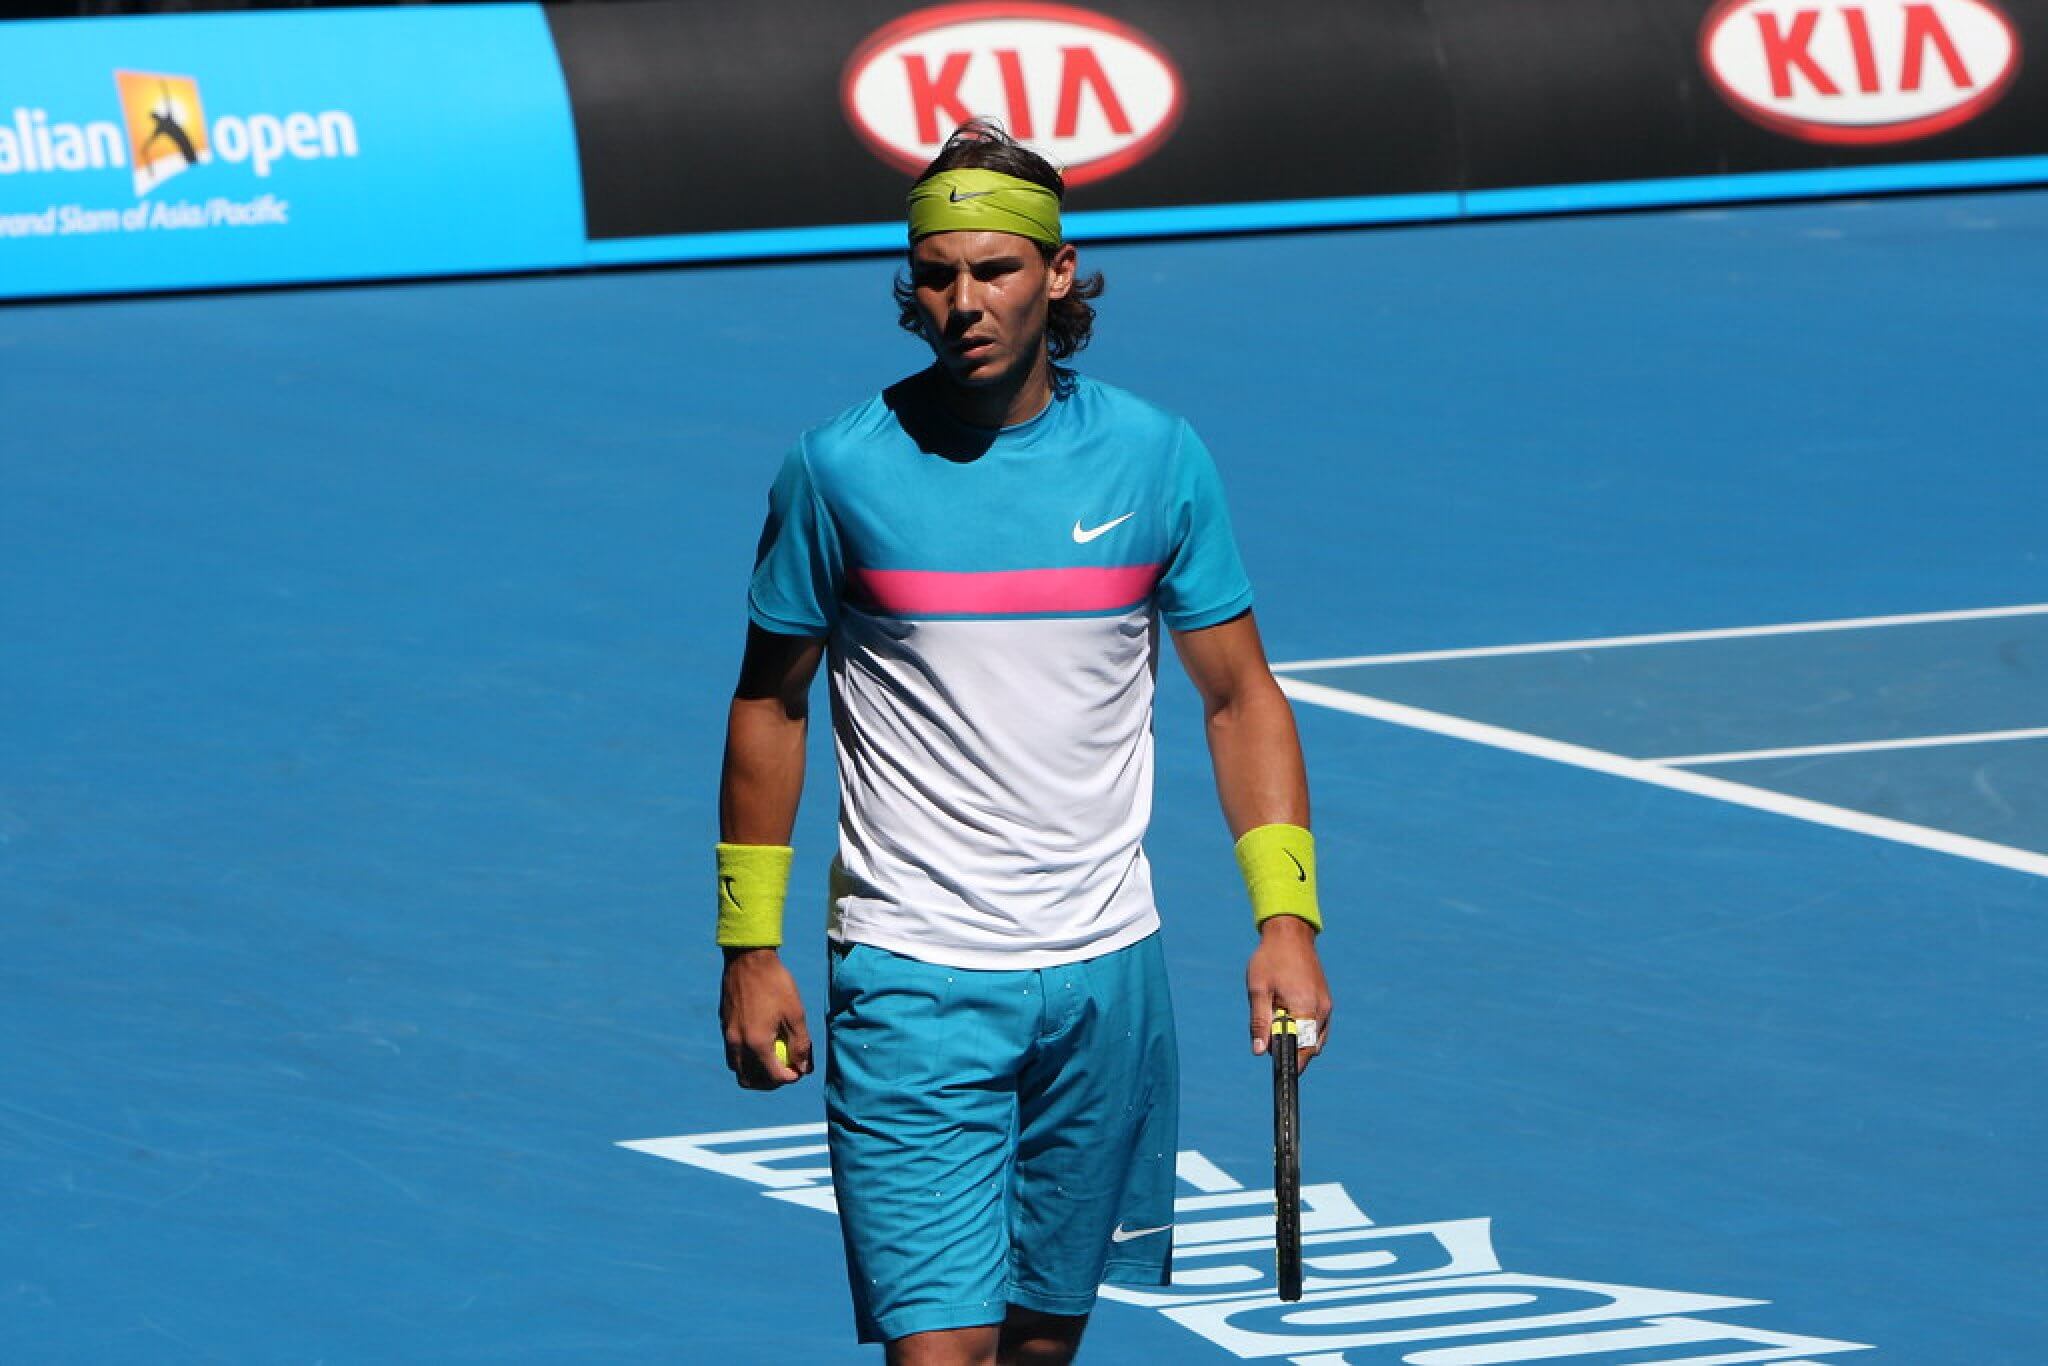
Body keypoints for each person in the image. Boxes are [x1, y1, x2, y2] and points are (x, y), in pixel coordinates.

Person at [714, 121, 1332, 1366]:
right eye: (934, 275)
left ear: (1057, 273)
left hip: (1107, 978)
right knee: (940, 1353)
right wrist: (747, 946)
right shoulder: (836, 470)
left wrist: (1284, 921)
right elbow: (768, 704)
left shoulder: (1155, 457)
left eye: (992, 271)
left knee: (1042, 1348)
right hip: (911, 974)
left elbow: (1238, 698)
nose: (960, 303)